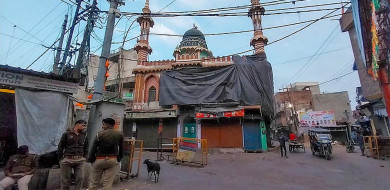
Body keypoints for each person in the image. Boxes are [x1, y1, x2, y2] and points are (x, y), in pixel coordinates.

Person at [88, 118, 124, 190]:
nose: (102, 126)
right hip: (112, 159)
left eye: (103, 124)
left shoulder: (99, 134)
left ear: (107, 125)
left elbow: (93, 148)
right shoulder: (119, 134)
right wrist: (119, 158)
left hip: (99, 159)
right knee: (107, 183)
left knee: (93, 182)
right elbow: (122, 148)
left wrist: (91, 159)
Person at [57, 120, 88, 190]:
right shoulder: (67, 134)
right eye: (83, 125)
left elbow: (86, 146)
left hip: (80, 159)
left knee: (80, 178)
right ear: (77, 125)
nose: (85, 127)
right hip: (67, 159)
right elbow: (61, 146)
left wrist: (85, 157)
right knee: (65, 180)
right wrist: (61, 159)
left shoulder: (84, 135)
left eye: (85, 126)